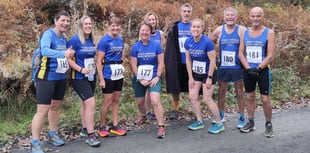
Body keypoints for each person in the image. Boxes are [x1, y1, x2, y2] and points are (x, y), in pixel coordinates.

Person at [31, 10, 75, 153]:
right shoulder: (48, 35)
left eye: (68, 21)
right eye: (63, 20)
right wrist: (63, 53)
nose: (65, 23)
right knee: (42, 111)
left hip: (60, 78)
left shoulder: (64, 37)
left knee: (55, 107)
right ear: (56, 21)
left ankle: (53, 133)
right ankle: (35, 142)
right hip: (46, 77)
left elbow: (67, 56)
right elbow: (44, 51)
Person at [238, 7, 276, 138]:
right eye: (253, 16)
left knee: (265, 99)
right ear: (249, 17)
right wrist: (248, 68)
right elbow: (240, 53)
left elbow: (270, 55)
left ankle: (268, 124)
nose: (255, 19)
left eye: (258, 16)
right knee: (249, 97)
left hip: (262, 70)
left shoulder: (269, 32)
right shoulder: (245, 32)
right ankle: (251, 122)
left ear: (262, 17)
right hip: (248, 70)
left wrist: (258, 68)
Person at [185, 18, 225, 134]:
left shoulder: (207, 42)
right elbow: (188, 60)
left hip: (209, 72)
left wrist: (209, 78)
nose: (196, 29)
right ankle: (199, 121)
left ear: (202, 29)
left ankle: (219, 123)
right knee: (193, 97)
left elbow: (212, 61)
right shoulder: (188, 42)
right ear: (190, 28)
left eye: (198, 27)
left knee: (207, 98)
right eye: (194, 27)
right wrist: (190, 77)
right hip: (196, 73)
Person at [210, 7, 247, 128]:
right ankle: (220, 114)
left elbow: (250, 43)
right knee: (221, 91)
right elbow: (209, 42)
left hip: (237, 66)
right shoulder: (219, 30)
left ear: (236, 17)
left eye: (232, 16)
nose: (230, 17)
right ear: (224, 17)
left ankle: (242, 116)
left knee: (240, 92)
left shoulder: (242, 30)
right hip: (224, 66)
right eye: (228, 15)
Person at [67, 16, 100, 147]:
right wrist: (80, 69)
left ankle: (85, 129)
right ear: (81, 26)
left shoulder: (92, 40)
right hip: (79, 77)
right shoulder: (75, 40)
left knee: (86, 103)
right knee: (91, 103)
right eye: (85, 24)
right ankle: (91, 136)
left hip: (90, 76)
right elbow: (68, 59)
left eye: (90, 23)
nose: (88, 26)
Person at [130, 22, 165, 138]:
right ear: (139, 32)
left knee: (155, 100)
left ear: (150, 32)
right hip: (140, 78)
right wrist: (140, 79)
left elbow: (161, 62)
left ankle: (161, 127)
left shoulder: (156, 45)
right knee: (140, 103)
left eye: (147, 30)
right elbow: (133, 64)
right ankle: (144, 115)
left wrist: (158, 76)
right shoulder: (135, 46)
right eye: (142, 30)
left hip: (154, 77)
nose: (144, 32)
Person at [96, 16, 127, 137]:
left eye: (117, 25)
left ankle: (115, 125)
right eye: (113, 25)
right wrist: (101, 79)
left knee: (116, 100)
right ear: (109, 26)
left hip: (118, 73)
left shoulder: (120, 39)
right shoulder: (104, 41)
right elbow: (98, 61)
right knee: (107, 101)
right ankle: (102, 126)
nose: (115, 28)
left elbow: (121, 55)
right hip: (108, 74)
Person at [164, 3, 192, 120]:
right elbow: (169, 46)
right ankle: (175, 108)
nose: (186, 13)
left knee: (193, 85)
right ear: (180, 13)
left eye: (188, 11)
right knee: (176, 86)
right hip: (178, 61)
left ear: (191, 13)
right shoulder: (175, 27)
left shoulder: (194, 26)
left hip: (192, 61)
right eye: (184, 11)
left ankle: (193, 107)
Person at [142, 11, 165, 121]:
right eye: (150, 19)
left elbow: (163, 47)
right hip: (146, 65)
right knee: (147, 90)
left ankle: (157, 111)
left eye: (153, 19)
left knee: (155, 88)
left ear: (156, 21)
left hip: (157, 64)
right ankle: (147, 112)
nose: (152, 21)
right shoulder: (145, 32)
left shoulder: (160, 34)